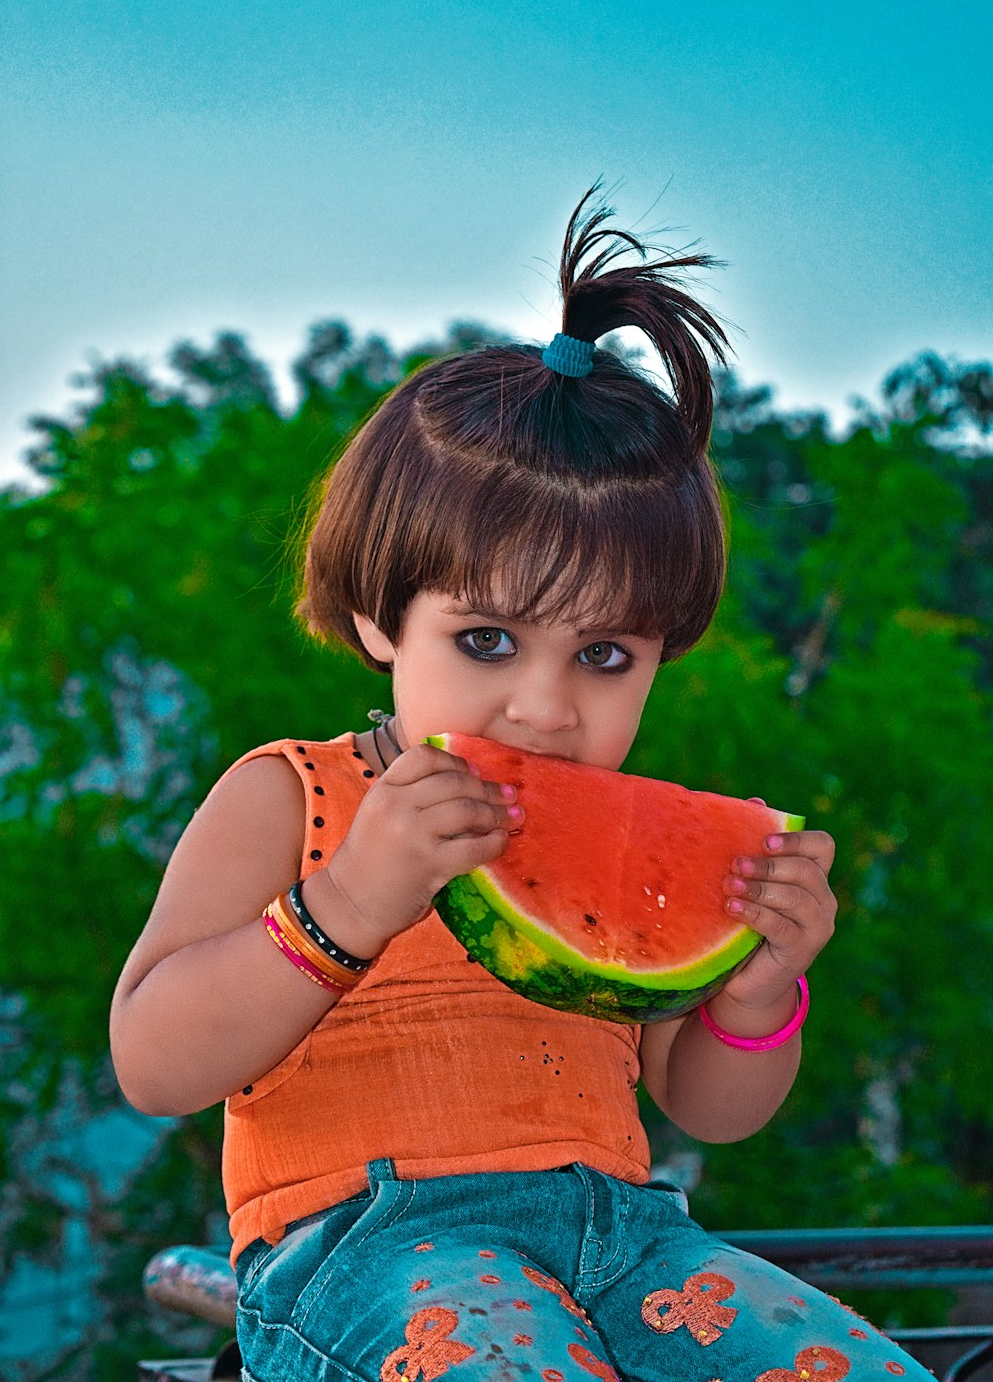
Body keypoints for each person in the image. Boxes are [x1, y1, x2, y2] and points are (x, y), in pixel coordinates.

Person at [110, 186, 930, 1381]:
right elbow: (152, 1061)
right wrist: (344, 906)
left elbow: (705, 1108)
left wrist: (757, 994)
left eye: (604, 657)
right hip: (367, 1251)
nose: (545, 709)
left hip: (631, 1241)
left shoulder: (630, 849)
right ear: (375, 617)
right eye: (487, 642)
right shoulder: (292, 797)